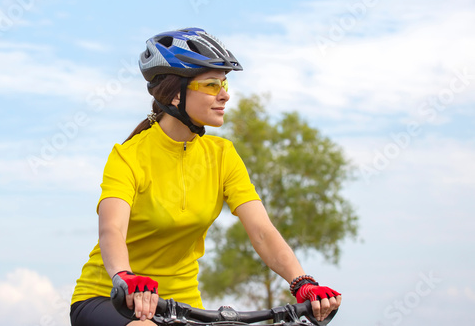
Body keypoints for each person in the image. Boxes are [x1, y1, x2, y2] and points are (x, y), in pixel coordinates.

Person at [70, 27, 341, 326]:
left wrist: (301, 282)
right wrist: (124, 276)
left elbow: (262, 231)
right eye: (212, 85)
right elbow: (112, 230)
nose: (225, 95)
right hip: (110, 299)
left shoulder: (222, 155)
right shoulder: (128, 156)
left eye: (224, 84)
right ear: (175, 95)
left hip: (182, 307)